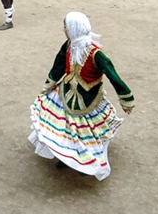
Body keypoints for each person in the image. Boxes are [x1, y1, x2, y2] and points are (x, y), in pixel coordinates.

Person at [29, 11, 135, 180]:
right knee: (67, 127)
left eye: (66, 26)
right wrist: (49, 84)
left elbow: (113, 74)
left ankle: (85, 161)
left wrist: (126, 99)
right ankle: (68, 156)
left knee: (84, 130)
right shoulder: (69, 45)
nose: (64, 29)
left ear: (74, 29)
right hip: (66, 92)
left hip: (88, 98)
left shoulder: (96, 54)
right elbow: (58, 65)